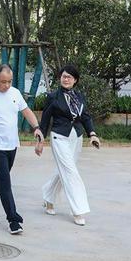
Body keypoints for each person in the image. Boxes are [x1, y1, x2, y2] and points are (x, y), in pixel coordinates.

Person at [0, 64, 44, 235]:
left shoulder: (15, 93)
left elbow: (26, 111)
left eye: (9, 81)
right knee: (5, 181)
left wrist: (36, 127)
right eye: (3, 82)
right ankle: (13, 220)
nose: (7, 85)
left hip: (12, 144)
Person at [37, 64, 99, 226]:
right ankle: (78, 210)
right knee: (71, 172)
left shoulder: (80, 96)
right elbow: (45, 119)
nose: (66, 79)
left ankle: (48, 197)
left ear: (75, 80)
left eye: (69, 77)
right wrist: (40, 139)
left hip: (76, 137)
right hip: (59, 137)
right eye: (63, 76)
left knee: (63, 170)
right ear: (60, 78)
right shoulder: (53, 97)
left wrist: (92, 134)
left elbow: (85, 117)